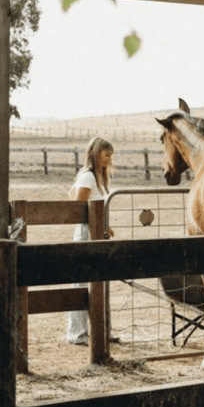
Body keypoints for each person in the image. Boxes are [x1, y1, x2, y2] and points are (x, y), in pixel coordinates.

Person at [66, 136, 115, 345]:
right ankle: (77, 333)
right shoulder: (88, 177)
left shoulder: (97, 178)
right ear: (95, 153)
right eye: (106, 155)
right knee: (82, 283)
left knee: (101, 282)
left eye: (110, 156)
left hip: (96, 233)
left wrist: (104, 226)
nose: (108, 159)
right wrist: (100, 225)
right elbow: (78, 207)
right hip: (86, 233)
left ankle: (103, 331)